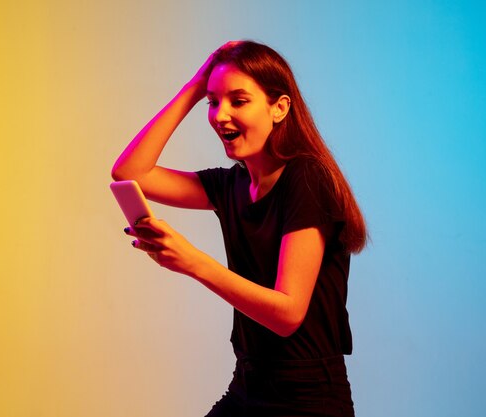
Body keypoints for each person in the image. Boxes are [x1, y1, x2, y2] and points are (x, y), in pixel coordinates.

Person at [111, 40, 367, 417]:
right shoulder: (229, 185)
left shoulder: (307, 179)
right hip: (249, 383)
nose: (219, 115)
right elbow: (130, 173)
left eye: (238, 100)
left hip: (309, 399)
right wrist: (193, 89)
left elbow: (288, 314)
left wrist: (193, 262)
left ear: (279, 108)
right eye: (214, 102)